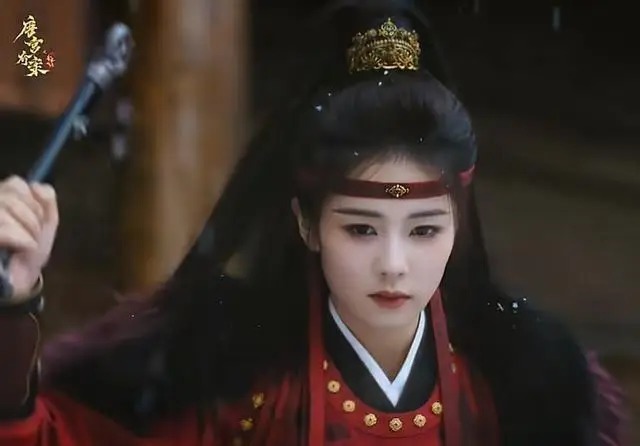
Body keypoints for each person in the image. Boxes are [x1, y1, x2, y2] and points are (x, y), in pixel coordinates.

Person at [0, 1, 629, 445]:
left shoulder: (516, 391)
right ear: (306, 224)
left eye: (424, 230)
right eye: (361, 229)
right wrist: (15, 298)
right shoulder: (230, 381)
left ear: (458, 227)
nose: (394, 264)